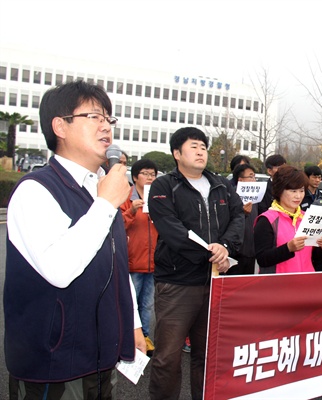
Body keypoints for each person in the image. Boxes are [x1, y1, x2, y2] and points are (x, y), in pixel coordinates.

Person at [4, 80, 144, 399]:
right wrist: (105, 204)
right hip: (53, 364)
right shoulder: (35, 189)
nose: (106, 126)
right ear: (60, 126)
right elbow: (58, 268)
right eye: (94, 116)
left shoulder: (100, 189)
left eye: (109, 118)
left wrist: (132, 324)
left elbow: (117, 266)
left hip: (101, 357)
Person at [148, 126, 244, 400]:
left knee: (207, 354)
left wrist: (225, 247)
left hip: (215, 281)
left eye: (203, 146)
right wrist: (212, 254)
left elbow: (238, 217)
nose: (201, 151)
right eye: (194, 146)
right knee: (168, 356)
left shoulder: (222, 184)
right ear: (177, 153)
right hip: (177, 283)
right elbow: (171, 229)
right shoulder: (164, 185)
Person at [254, 165, 322, 273]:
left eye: (301, 191)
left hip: (306, 282)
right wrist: (288, 248)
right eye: (293, 191)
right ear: (279, 191)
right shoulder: (267, 220)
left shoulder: (307, 218)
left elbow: (314, 258)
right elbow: (262, 259)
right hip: (278, 285)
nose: (298, 196)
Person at [120, 159, 160, 355]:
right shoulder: (126, 196)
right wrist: (132, 211)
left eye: (153, 174)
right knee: (130, 303)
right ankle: (126, 339)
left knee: (147, 305)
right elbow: (116, 225)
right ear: (135, 176)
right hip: (133, 261)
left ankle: (144, 338)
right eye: (145, 173)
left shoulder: (158, 198)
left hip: (152, 262)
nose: (150, 177)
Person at [229, 163, 259, 275]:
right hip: (236, 253)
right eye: (251, 176)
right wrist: (242, 213)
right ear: (240, 180)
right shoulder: (231, 197)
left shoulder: (255, 198)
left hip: (251, 251)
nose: (254, 180)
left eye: (254, 177)